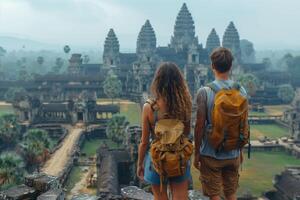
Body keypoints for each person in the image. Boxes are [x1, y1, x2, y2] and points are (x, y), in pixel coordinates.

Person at [194, 47, 248, 200]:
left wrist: (196, 152)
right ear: (231, 67)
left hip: (211, 152)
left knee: (214, 194)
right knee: (231, 193)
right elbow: (243, 123)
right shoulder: (241, 91)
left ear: (212, 66)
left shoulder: (204, 92)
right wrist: (240, 150)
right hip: (233, 152)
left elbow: (199, 126)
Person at [137, 62, 192, 200]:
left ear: (157, 82)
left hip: (157, 158)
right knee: (180, 197)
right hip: (179, 157)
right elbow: (186, 132)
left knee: (160, 197)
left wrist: (140, 164)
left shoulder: (149, 108)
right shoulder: (185, 105)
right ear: (179, 82)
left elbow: (144, 142)